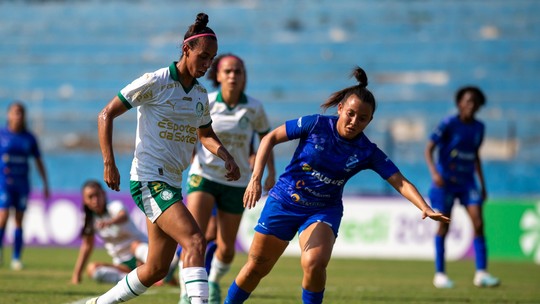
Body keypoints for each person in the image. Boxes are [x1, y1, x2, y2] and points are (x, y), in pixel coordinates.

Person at [224, 66, 451, 304]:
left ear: (369, 120)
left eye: (362, 119)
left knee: (314, 263)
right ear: (340, 108)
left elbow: (400, 181)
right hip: (284, 201)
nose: (354, 122)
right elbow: (270, 138)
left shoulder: (367, 151)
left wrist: (424, 207)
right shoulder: (316, 125)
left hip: (323, 209)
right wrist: (256, 178)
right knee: (256, 267)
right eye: (351, 113)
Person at [87, 13, 240, 304]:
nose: (208, 65)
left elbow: (205, 134)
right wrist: (109, 162)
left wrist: (226, 156)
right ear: (186, 50)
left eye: (212, 59)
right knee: (195, 241)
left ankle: (98, 303)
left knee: (156, 267)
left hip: (171, 181)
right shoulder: (155, 82)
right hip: (149, 179)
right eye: (204, 57)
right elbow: (106, 114)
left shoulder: (199, 94)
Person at [182, 53, 275, 303]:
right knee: (194, 238)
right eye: (228, 71)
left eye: (238, 72)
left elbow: (266, 140)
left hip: (238, 181)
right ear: (218, 76)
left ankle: (212, 283)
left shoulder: (254, 108)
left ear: (244, 77)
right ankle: (185, 293)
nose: (233, 76)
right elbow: (193, 133)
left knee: (226, 247)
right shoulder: (207, 100)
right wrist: (189, 158)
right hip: (204, 175)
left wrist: (268, 171)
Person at [425, 86, 500, 288]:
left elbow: (475, 156)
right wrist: (435, 173)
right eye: (467, 101)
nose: (471, 105)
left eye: (475, 102)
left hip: (468, 182)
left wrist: (483, 185)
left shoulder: (479, 128)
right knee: (444, 225)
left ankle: (481, 273)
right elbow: (429, 148)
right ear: (459, 103)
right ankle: (440, 274)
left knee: (478, 223)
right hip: (446, 182)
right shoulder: (449, 123)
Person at [0, 101, 49, 271]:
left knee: (19, 221)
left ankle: (16, 258)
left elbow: (38, 161)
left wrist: (45, 184)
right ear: (8, 115)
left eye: (21, 112)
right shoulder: (2, 135)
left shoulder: (29, 138)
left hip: (22, 184)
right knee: (3, 217)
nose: (18, 115)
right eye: (15, 112)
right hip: (4, 183)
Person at [71, 180, 149, 285]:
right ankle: (133, 279)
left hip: (140, 254)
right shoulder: (88, 219)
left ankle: (158, 269)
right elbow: (87, 246)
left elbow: (123, 216)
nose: (95, 200)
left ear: (103, 194)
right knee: (92, 269)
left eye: (97, 195)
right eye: (90, 197)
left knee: (136, 246)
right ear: (85, 200)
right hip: (122, 263)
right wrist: (77, 275)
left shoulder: (113, 206)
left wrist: (110, 222)